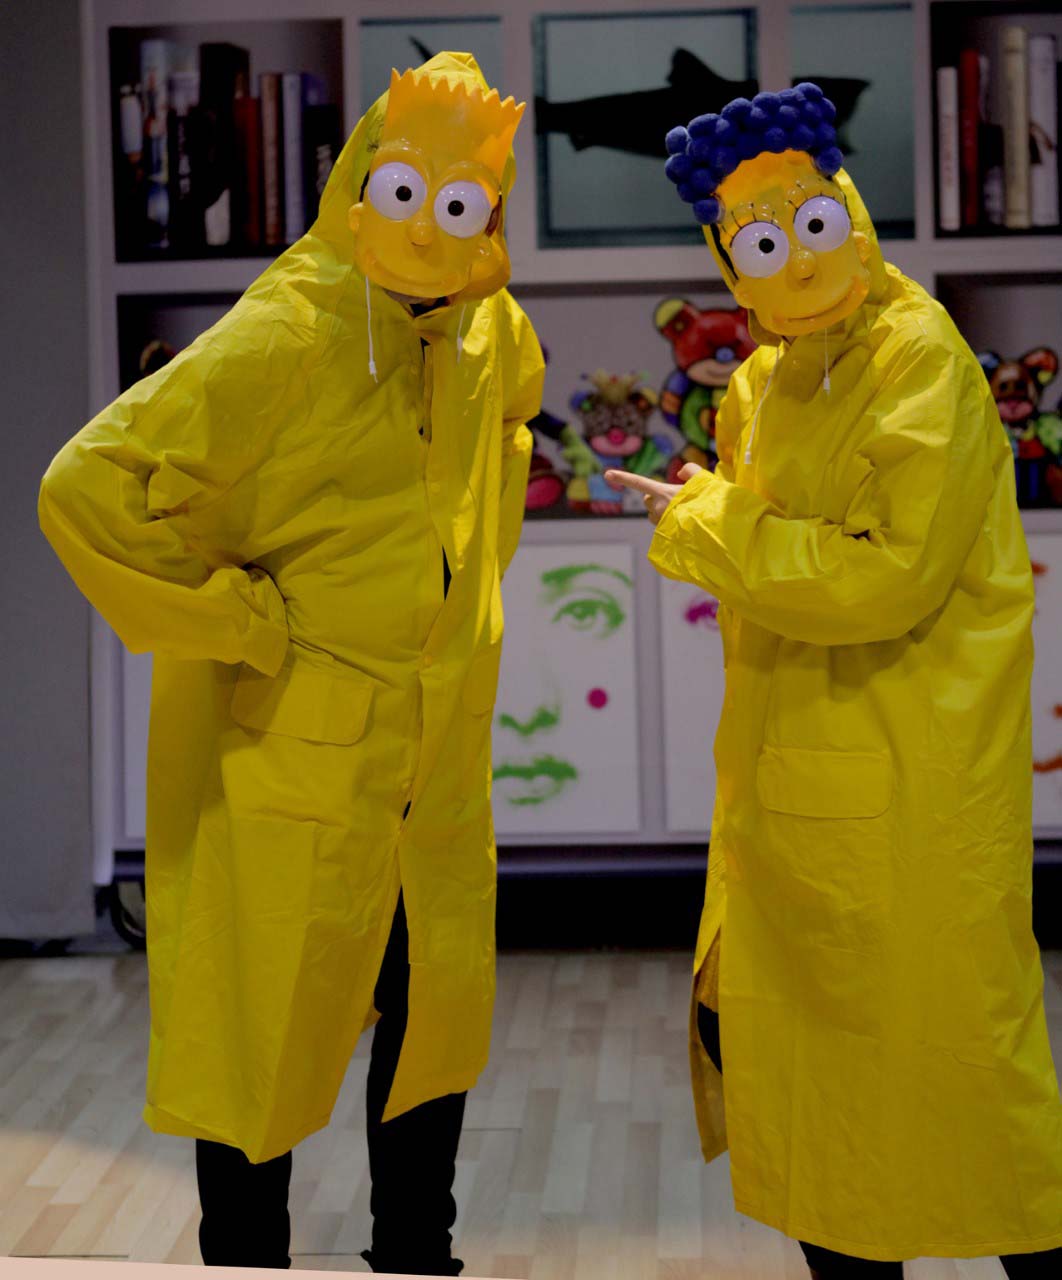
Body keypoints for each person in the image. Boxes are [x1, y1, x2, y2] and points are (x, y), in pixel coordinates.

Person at [39, 53, 543, 1273]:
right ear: (362, 182)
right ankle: (247, 1264)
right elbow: (87, 485)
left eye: (461, 203)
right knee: (260, 1033)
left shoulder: (484, 328)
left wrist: (455, 613)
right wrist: (243, 622)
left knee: (430, 1022)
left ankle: (417, 1256)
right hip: (291, 762)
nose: (428, 230)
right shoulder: (288, 330)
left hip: (430, 760)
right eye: (407, 192)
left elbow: (505, 431)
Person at [606, 84, 1062, 1276]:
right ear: (729, 264)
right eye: (762, 246)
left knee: (970, 1090)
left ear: (847, 211)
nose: (800, 263)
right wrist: (716, 509)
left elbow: (884, 578)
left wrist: (708, 522)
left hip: (914, 797)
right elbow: (786, 558)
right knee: (823, 1114)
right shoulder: (762, 384)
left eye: (812, 226)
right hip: (794, 802)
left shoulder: (920, 360)